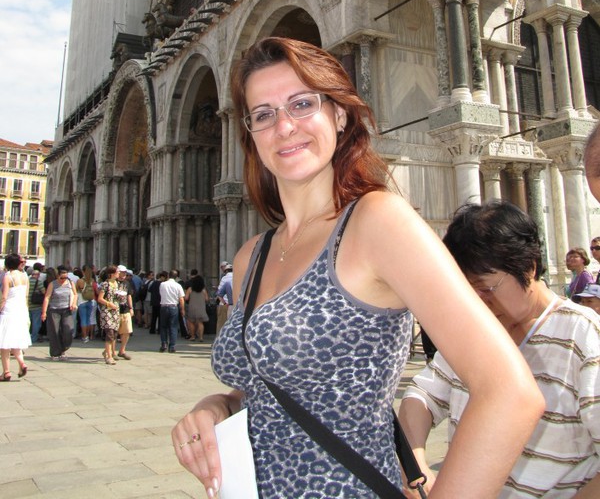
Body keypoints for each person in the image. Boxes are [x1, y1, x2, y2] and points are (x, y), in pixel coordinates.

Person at [171, 36, 543, 499]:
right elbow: (275, 389)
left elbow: (510, 392)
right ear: (251, 134)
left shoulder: (376, 223)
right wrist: (219, 406)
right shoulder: (253, 256)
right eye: (263, 114)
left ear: (339, 114)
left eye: (302, 104)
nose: (284, 126)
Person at [399, 200, 600, 498]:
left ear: (529, 267)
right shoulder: (474, 329)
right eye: (466, 289)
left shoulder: (583, 335)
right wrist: (415, 467)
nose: (477, 301)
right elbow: (422, 395)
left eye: (486, 288)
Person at [0, 253, 31, 380]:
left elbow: (4, 297)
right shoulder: (24, 276)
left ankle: (6, 372)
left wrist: (0, 307)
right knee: (16, 340)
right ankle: (22, 363)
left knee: (4, 342)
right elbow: (26, 295)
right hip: (21, 309)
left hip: (9, 310)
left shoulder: (8, 276)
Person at [41, 265, 77, 360]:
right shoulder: (52, 284)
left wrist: (73, 303)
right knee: (54, 331)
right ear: (57, 276)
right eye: (61, 278)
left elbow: (75, 294)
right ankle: (55, 353)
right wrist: (44, 312)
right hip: (54, 310)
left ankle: (63, 348)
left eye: (65, 277)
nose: (63, 280)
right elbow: (47, 298)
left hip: (67, 309)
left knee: (68, 330)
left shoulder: (70, 283)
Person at [97, 265, 121, 364]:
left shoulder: (117, 283)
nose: (119, 273)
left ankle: (106, 351)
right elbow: (100, 299)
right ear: (112, 273)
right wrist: (108, 303)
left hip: (115, 311)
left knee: (114, 334)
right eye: (117, 272)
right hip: (107, 311)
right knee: (110, 333)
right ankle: (109, 357)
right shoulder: (105, 284)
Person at [159, 269, 185, 353]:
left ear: (168, 276)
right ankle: (172, 346)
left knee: (163, 326)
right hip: (173, 307)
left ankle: (164, 344)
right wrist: (182, 309)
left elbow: (161, 294)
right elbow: (181, 299)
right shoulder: (178, 286)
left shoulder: (162, 284)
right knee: (173, 327)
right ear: (176, 277)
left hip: (164, 306)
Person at [114, 265, 134, 360]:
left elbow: (129, 296)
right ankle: (111, 351)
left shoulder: (127, 283)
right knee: (114, 332)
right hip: (115, 310)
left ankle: (122, 351)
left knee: (127, 331)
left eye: (125, 273)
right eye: (122, 272)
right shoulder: (112, 283)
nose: (124, 274)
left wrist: (131, 308)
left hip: (125, 310)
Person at [75, 265, 97, 342]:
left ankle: (84, 336)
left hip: (81, 301)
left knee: (83, 319)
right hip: (90, 301)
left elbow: (76, 290)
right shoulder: (91, 280)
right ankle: (87, 335)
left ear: (83, 271)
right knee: (88, 319)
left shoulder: (80, 281)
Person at [185, 273, 209, 341]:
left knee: (191, 322)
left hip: (192, 307)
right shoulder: (203, 290)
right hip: (201, 307)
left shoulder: (190, 289)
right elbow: (207, 299)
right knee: (200, 322)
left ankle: (192, 336)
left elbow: (186, 298)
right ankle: (201, 337)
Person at [28, 262, 46, 343]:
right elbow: (44, 292)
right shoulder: (39, 282)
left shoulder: (27, 281)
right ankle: (33, 338)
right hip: (36, 305)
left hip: (27, 304)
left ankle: (27, 337)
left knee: (28, 322)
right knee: (36, 322)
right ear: (38, 275)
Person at [215, 262, 232, 334]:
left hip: (225, 304)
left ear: (226, 271)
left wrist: (224, 303)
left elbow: (219, 293)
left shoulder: (225, 278)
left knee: (221, 325)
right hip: (236, 305)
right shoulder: (238, 278)